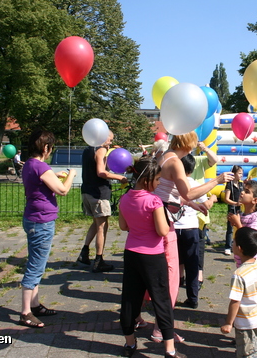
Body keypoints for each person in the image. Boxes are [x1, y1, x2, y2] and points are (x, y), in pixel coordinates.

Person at [151, 132, 233, 341]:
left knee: (152, 277)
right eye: (195, 139)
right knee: (169, 279)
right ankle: (162, 329)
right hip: (164, 223)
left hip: (155, 218)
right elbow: (187, 192)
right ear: (187, 142)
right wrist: (217, 180)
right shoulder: (176, 162)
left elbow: (172, 192)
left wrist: (191, 204)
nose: (197, 143)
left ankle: (140, 321)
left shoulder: (164, 155)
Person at [118, 157, 186, 358]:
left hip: (131, 254)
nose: (158, 183)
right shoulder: (154, 201)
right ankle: (169, 349)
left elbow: (123, 226)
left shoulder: (124, 198)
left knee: (130, 299)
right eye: (156, 179)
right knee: (162, 301)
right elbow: (163, 230)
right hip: (153, 257)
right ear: (146, 179)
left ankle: (130, 344)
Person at [19, 130, 77, 328]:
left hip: (33, 218)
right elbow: (62, 190)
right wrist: (72, 175)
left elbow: (42, 180)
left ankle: (34, 306)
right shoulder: (40, 166)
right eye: (50, 148)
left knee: (37, 263)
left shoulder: (29, 164)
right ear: (45, 148)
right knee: (35, 267)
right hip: (41, 222)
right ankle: (26, 312)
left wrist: (55, 174)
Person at [76, 131, 128, 273]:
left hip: (86, 191)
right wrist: (120, 178)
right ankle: (99, 260)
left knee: (96, 222)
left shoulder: (88, 149)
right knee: (102, 227)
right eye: (109, 140)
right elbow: (100, 172)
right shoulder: (100, 149)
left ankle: (84, 253)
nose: (110, 143)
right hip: (98, 193)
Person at [220, 227, 257, 358]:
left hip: (247, 323)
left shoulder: (239, 274)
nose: (232, 243)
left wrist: (228, 323)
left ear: (240, 248)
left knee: (248, 353)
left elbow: (235, 301)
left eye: (234, 241)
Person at [175, 154, 208, 309]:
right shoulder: (194, 183)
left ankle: (172, 296)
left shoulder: (171, 183)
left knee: (175, 264)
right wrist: (213, 199)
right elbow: (205, 204)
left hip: (173, 228)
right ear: (192, 168)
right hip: (190, 227)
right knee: (192, 264)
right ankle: (193, 298)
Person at [227, 179, 257, 267]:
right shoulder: (241, 214)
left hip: (253, 262)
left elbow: (250, 239)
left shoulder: (256, 217)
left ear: (255, 200)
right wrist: (233, 222)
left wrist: (237, 223)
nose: (242, 192)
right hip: (241, 260)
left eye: (247, 192)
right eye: (243, 189)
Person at [223, 165, 244, 256]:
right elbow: (226, 199)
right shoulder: (229, 184)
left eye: (242, 174)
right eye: (239, 173)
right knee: (230, 228)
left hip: (240, 209)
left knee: (240, 227)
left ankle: (239, 245)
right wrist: (235, 203)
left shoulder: (241, 184)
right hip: (232, 208)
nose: (241, 175)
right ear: (234, 174)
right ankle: (227, 246)